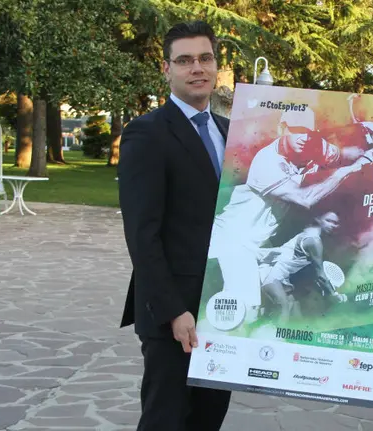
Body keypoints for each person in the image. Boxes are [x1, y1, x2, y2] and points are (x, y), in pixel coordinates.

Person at [117, 21, 232, 431]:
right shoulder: (145, 133)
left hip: (223, 308)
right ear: (167, 69)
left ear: (216, 65)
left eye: (205, 58)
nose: (196, 67)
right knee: (165, 421)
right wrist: (173, 311)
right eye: (184, 60)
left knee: (208, 419)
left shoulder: (229, 133)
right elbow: (141, 234)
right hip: (175, 316)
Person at [207, 107, 373, 321]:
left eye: (307, 131)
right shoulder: (266, 162)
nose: (303, 137)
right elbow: (305, 199)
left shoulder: (310, 144)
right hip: (233, 239)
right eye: (296, 130)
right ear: (282, 129)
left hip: (259, 245)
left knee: (277, 303)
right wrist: (348, 170)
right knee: (246, 311)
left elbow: (339, 153)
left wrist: (363, 152)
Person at [258, 211, 347, 323]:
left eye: (335, 223)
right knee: (284, 309)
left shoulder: (309, 234)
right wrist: (333, 294)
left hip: (281, 281)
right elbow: (320, 274)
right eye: (328, 220)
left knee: (294, 314)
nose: (332, 225)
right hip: (271, 277)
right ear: (318, 220)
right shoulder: (314, 241)